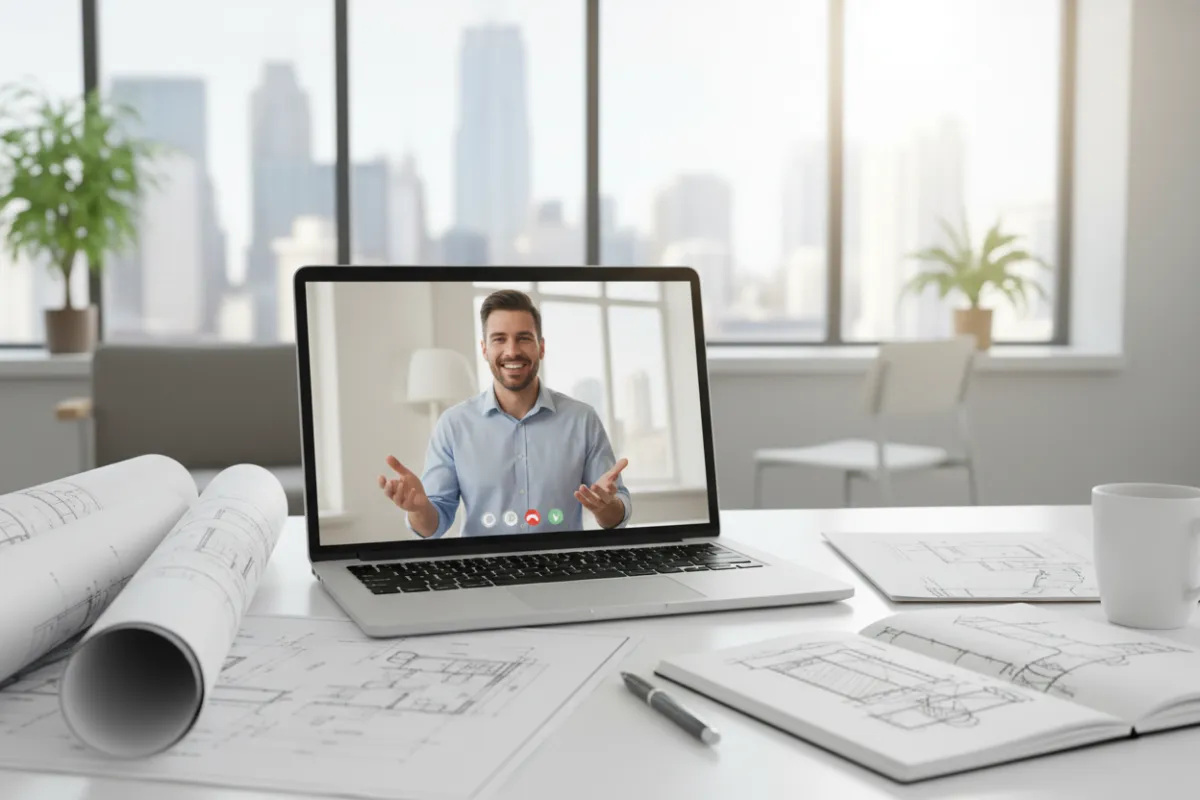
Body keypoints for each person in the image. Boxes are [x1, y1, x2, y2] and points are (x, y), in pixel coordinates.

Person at [376, 289, 631, 537]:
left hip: (563, 569)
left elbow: (616, 516)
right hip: (482, 571)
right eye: (499, 339)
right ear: (484, 349)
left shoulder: (582, 419)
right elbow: (433, 526)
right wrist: (419, 509)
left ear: (541, 347)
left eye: (523, 338)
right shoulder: (454, 425)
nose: (512, 351)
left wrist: (606, 506)